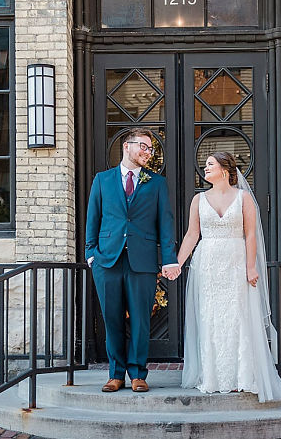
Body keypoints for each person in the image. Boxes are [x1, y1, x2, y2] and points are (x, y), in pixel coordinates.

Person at [177, 151, 281, 402]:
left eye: (210, 165)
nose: (205, 169)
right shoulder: (198, 200)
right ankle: (212, 376)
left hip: (236, 262)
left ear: (225, 170)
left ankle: (242, 376)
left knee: (238, 316)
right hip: (208, 265)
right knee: (211, 317)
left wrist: (251, 267)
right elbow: (192, 235)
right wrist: (178, 263)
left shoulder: (244, 198)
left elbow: (250, 235)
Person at [85, 127, 181, 393]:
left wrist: (169, 259)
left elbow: (165, 224)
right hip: (107, 261)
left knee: (141, 320)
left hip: (143, 261)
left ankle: (138, 374)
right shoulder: (102, 180)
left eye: (150, 149)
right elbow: (93, 218)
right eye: (144, 146)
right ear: (127, 146)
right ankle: (115, 374)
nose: (147, 153)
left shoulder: (156, 183)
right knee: (112, 319)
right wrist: (90, 254)